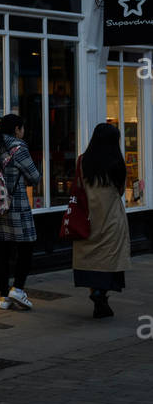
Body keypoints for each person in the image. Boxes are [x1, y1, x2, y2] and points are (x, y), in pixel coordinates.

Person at [0, 114, 41, 310]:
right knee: (26, 246)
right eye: (22, 128)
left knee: (1, 252)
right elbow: (34, 176)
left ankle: (3, 296)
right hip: (16, 205)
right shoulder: (18, 147)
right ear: (17, 129)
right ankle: (18, 288)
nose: (23, 132)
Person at [71, 123, 130, 319]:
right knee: (109, 257)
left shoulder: (82, 161)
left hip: (88, 217)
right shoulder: (117, 163)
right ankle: (101, 294)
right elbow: (121, 191)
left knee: (89, 258)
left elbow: (78, 186)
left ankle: (94, 293)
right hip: (112, 217)